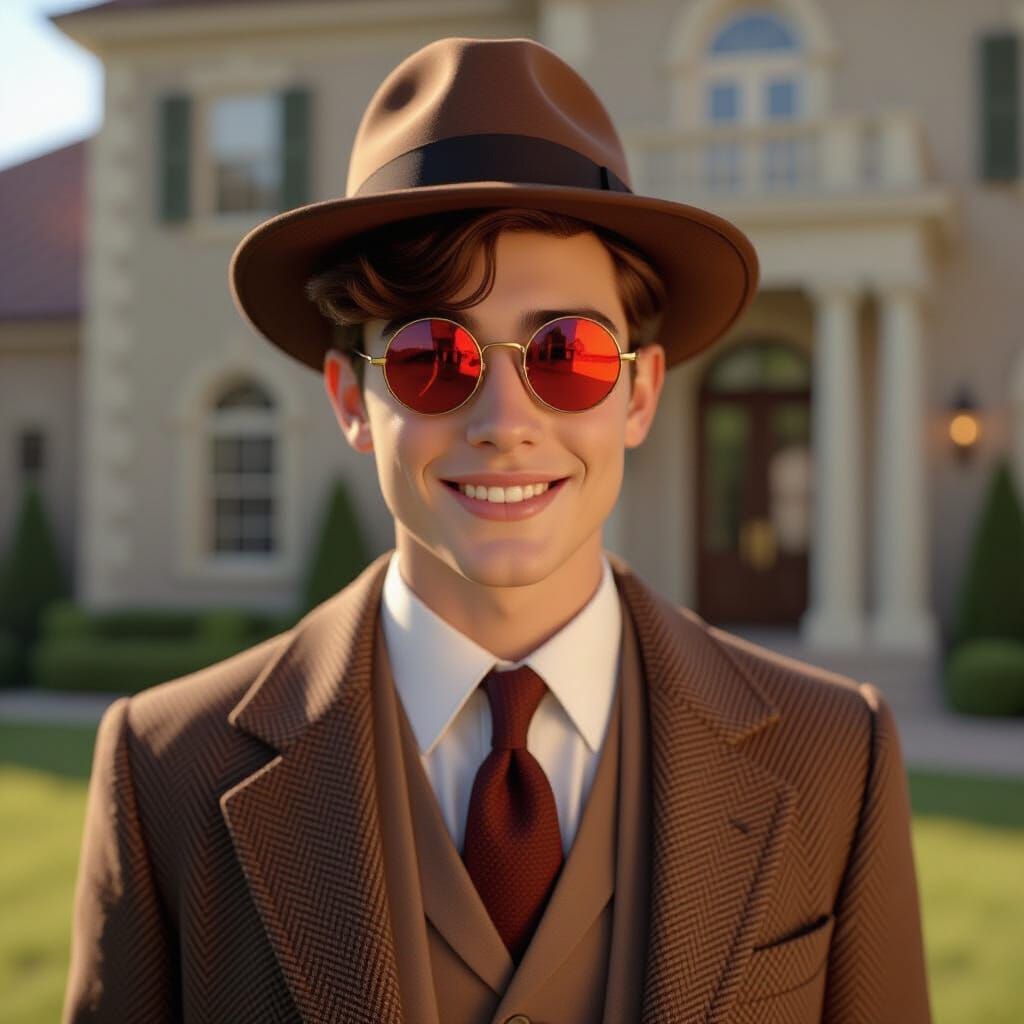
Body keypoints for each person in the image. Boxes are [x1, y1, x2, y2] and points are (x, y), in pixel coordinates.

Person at [63, 36, 932, 1024]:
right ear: (352, 398)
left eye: (566, 355)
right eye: (436, 356)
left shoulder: (835, 756)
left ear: (639, 395)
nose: (506, 423)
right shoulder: (166, 769)